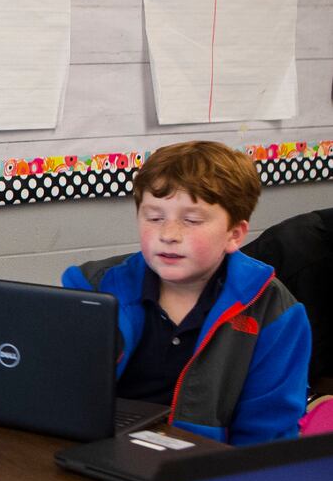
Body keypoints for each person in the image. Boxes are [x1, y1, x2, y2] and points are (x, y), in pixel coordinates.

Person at [62, 140, 311, 445]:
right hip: (97, 449)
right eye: (154, 218)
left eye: (191, 221)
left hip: (205, 467)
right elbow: (59, 393)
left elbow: (266, 437)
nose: (168, 235)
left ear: (234, 235)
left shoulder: (273, 311)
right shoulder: (92, 286)